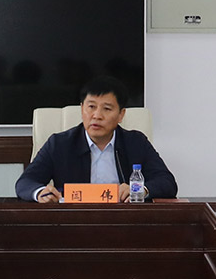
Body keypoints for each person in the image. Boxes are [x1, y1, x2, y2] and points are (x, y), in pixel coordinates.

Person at [17, 77, 177, 202]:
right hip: (74, 222)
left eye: (107, 109)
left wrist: (139, 190)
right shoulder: (59, 144)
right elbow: (26, 182)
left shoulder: (136, 142)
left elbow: (167, 182)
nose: (97, 115)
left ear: (121, 115)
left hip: (123, 221)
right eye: (91, 107)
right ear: (82, 109)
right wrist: (40, 193)